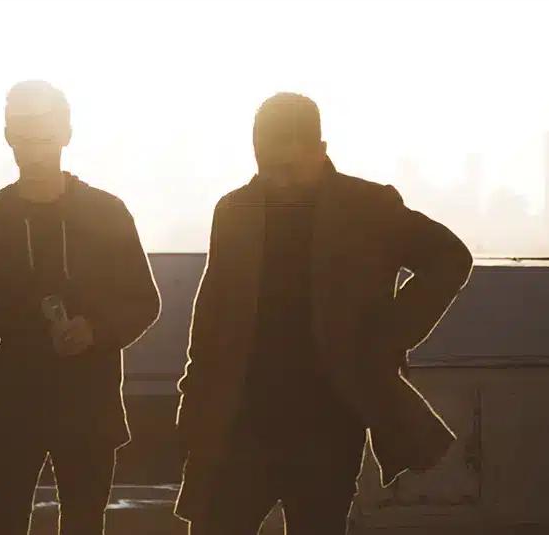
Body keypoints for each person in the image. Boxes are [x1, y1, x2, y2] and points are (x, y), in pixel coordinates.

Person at [174, 92, 473, 534]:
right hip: (240, 418)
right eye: (268, 167)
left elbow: (450, 258)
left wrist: (388, 336)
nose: (279, 182)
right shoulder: (235, 210)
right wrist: (194, 403)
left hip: (328, 421)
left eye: (291, 170)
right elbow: (213, 312)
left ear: (321, 151)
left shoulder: (368, 206)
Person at [0, 80, 161, 535]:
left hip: (83, 406)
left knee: (79, 524)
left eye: (41, 132)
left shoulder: (105, 213)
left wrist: (96, 330)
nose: (33, 145)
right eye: (25, 132)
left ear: (65, 133)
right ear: (9, 136)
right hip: (19, 409)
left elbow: (144, 300)